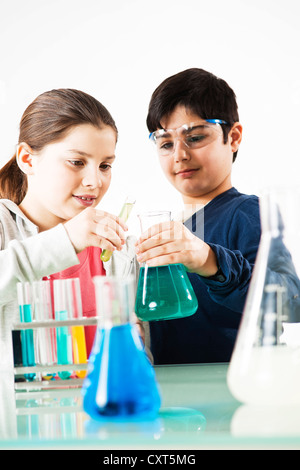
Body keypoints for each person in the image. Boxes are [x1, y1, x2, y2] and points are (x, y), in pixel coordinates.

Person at [0, 88, 135, 369]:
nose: (94, 181)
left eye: (105, 165)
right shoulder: (4, 226)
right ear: (27, 159)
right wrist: (66, 240)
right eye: (77, 162)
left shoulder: (119, 252)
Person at [135, 68, 260, 364]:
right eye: (165, 143)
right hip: (171, 397)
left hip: (229, 392)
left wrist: (208, 260)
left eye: (195, 137)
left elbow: (285, 297)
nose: (179, 154)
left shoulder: (247, 214)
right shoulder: (173, 232)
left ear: (234, 137)